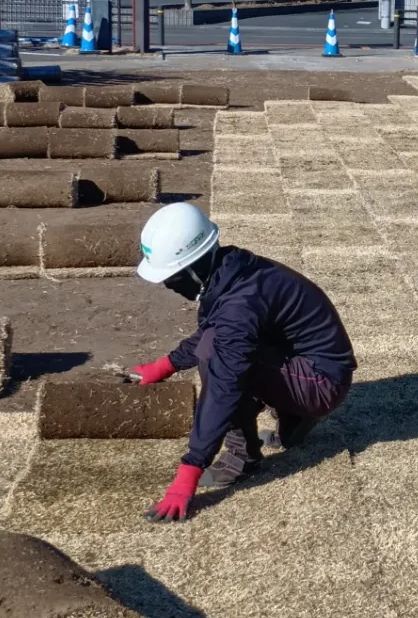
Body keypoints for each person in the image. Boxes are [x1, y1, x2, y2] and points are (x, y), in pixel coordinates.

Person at [126, 202, 356, 520]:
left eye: (173, 277)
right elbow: (216, 330)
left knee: (219, 357)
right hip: (310, 368)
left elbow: (223, 384)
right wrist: (166, 365)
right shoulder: (233, 274)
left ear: (194, 267)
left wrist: (189, 470)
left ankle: (242, 457)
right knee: (218, 346)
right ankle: (293, 417)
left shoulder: (240, 302)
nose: (168, 285)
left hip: (322, 381)